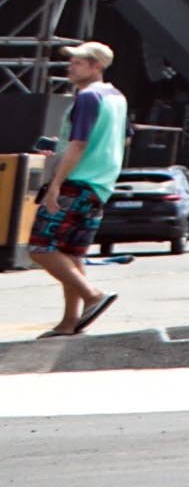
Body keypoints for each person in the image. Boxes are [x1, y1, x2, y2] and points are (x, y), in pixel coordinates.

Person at [26, 42, 125, 337]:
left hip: (78, 181)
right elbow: (118, 137)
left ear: (96, 66)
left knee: (40, 247)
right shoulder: (116, 97)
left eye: (78, 62)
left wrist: (55, 184)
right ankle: (70, 322)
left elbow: (80, 144)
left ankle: (93, 295)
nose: (70, 66)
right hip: (100, 185)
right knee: (71, 253)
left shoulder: (88, 97)